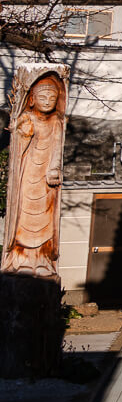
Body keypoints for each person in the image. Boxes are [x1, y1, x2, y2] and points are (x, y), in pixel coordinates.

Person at [2, 71, 67, 279]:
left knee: (45, 219)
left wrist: (55, 168)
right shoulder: (27, 117)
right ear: (32, 99)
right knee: (23, 216)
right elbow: (18, 144)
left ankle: (41, 259)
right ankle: (20, 259)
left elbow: (57, 149)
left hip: (46, 178)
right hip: (27, 173)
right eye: (42, 97)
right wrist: (21, 132)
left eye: (52, 98)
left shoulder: (56, 122)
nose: (47, 101)